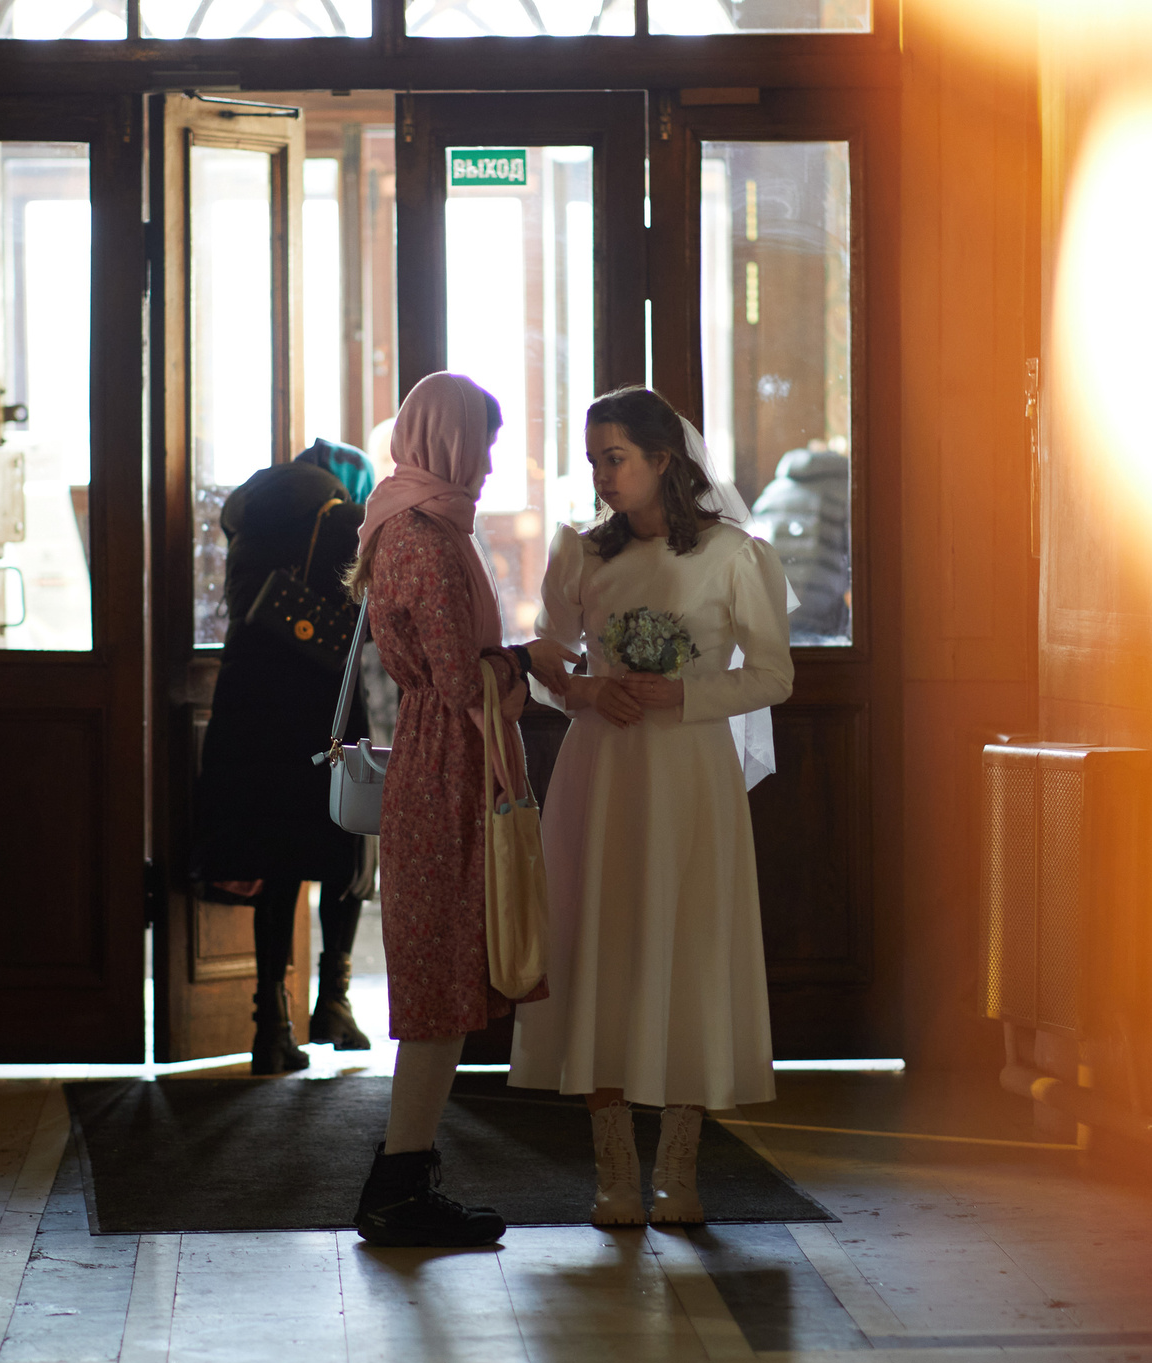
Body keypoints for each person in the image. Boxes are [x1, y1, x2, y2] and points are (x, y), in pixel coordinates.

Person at [509, 387, 796, 1226]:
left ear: (664, 459)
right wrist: (585, 686)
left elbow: (774, 675)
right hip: (600, 773)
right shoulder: (580, 554)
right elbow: (549, 653)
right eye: (594, 459)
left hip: (689, 774)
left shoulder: (735, 556)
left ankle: (678, 1171)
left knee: (687, 948)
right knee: (603, 948)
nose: (601, 476)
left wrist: (683, 692)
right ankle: (613, 1177)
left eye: (616, 458)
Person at [348, 373, 548, 1247]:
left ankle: (406, 1178)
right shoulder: (425, 538)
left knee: (444, 977)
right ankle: (399, 1185)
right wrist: (529, 662)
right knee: (438, 981)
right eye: (486, 443)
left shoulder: (409, 521)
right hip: (446, 761)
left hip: (441, 754)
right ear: (452, 442)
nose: (493, 462)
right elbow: (462, 679)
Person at [192, 458, 375, 1074]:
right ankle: (335, 1004)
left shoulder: (249, 522)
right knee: (342, 849)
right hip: (323, 710)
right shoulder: (347, 521)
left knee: (273, 860)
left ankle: (270, 1025)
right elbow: (370, 622)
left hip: (247, 714)